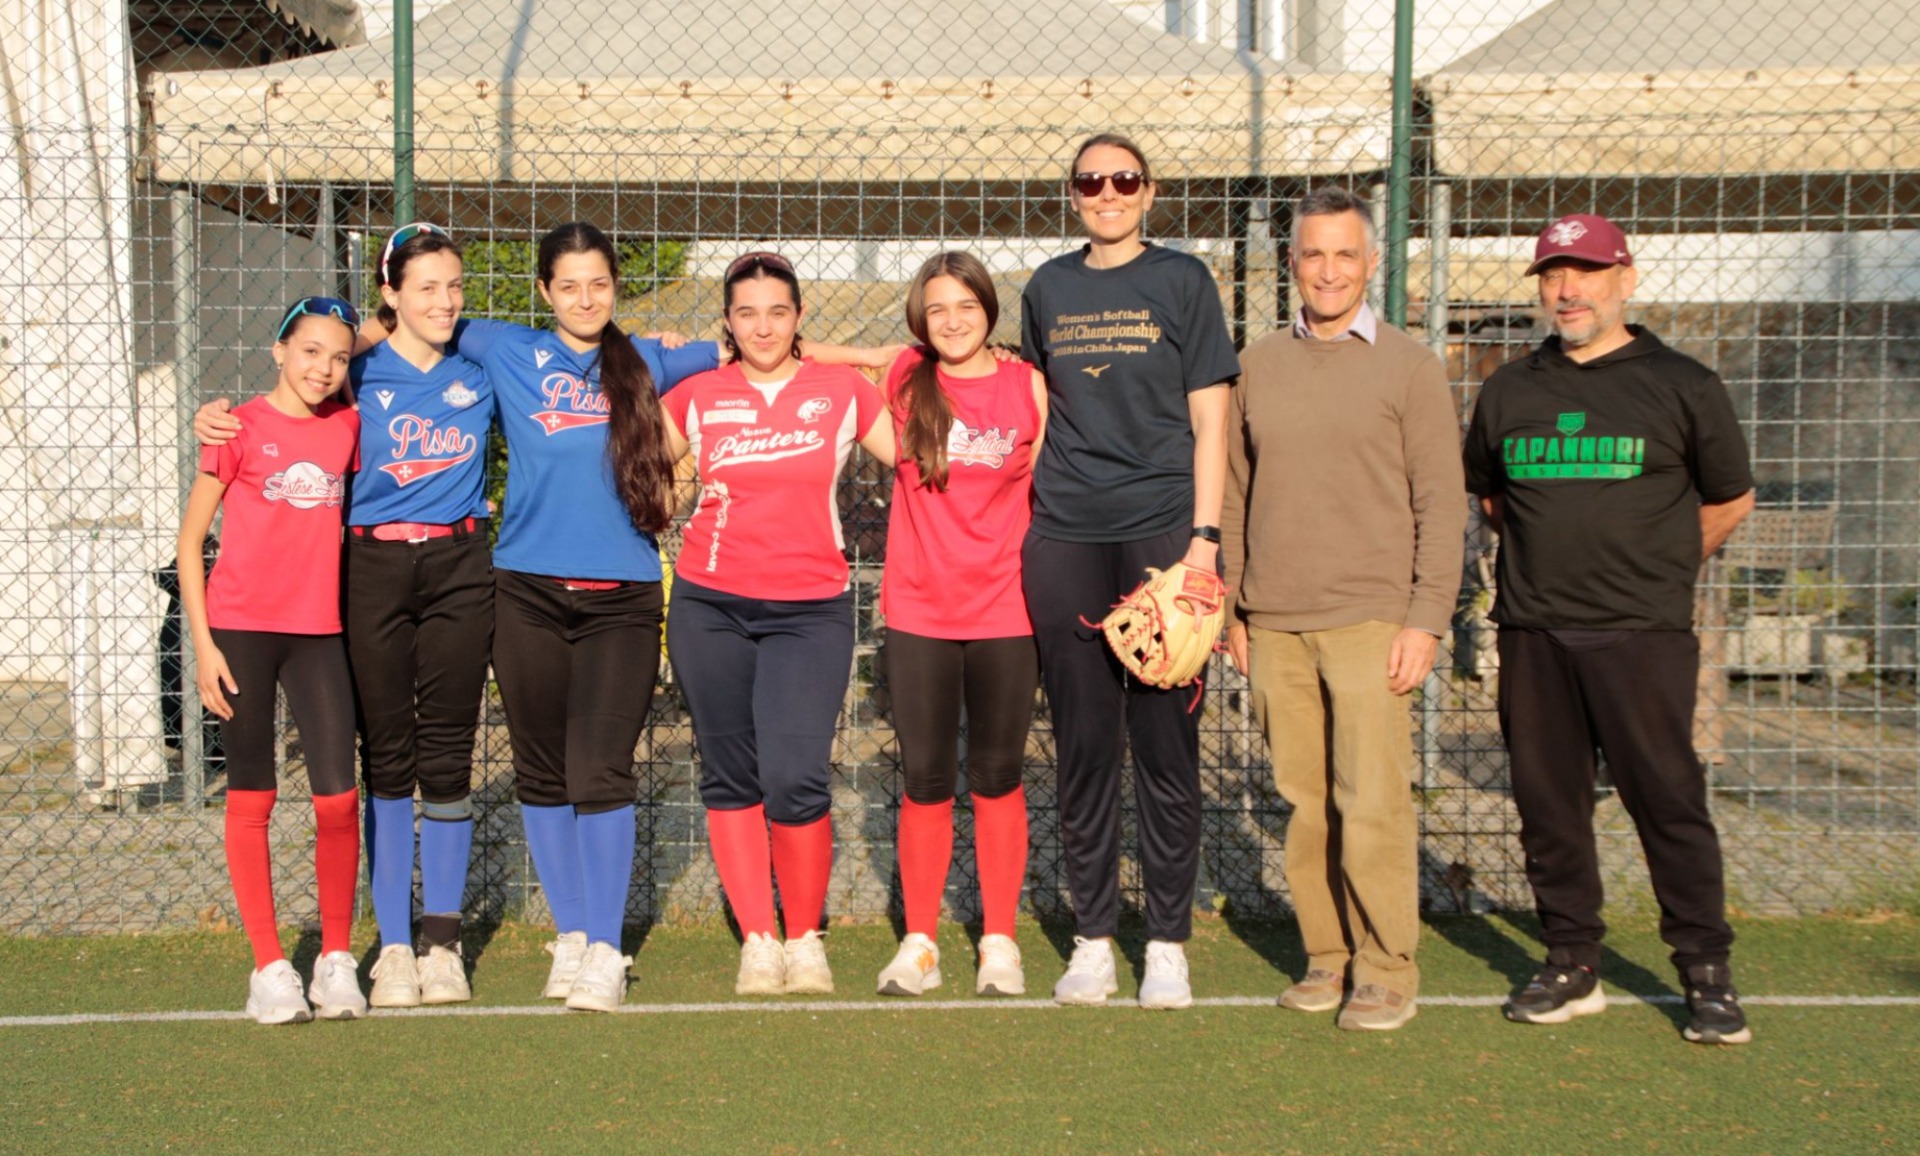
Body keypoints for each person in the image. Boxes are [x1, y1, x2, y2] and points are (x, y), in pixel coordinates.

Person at [1463, 213, 1757, 1045]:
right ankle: (1570, 962)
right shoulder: (1510, 388)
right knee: (1549, 807)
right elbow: (1490, 496)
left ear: (1625, 278)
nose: (1568, 289)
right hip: (1534, 631)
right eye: (1553, 274)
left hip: (1642, 634)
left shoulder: (1684, 384)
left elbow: (1731, 499)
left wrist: (1658, 565)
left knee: (1668, 802)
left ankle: (1706, 973)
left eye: (1586, 271)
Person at [197, 223, 495, 1009]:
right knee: (381, 758)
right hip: (361, 577)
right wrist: (215, 418)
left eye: (454, 285)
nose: (445, 299)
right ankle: (385, 946)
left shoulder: (480, 364)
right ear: (391, 294)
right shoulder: (354, 379)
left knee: (440, 756)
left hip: (452, 570)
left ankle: (438, 941)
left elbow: (587, 361)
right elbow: (311, 364)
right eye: (424, 285)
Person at [451, 223, 722, 1011]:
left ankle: (606, 947)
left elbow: (755, 345)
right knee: (542, 771)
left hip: (622, 599)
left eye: (598, 283)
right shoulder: (505, 348)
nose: (584, 298)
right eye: (568, 285)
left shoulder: (643, 359)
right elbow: (403, 325)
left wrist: (879, 359)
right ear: (544, 291)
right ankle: (570, 935)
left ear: (615, 287)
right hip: (526, 590)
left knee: (601, 768)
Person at [1221, 187, 1467, 1032]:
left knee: (1372, 801)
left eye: (1344, 255)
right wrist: (1236, 615)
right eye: (1312, 255)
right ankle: (1326, 959)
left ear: (1371, 264)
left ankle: (1387, 966)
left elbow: (1442, 502)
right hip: (1275, 621)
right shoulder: (1255, 364)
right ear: (1291, 264)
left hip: (1371, 618)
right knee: (1304, 800)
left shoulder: (1408, 365)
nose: (1328, 271)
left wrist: (1426, 618)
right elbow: (1234, 491)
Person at [1019, 133, 1240, 1008]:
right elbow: (1035, 412)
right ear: (1071, 193)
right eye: (1090, 181)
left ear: (1150, 190)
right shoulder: (1047, 288)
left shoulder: (1183, 281)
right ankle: (1094, 938)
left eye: (1125, 179)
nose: (1107, 193)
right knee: (1081, 749)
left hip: (1161, 537)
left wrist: (1205, 541)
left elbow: (1211, 419)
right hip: (1068, 536)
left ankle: (1169, 945)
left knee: (1163, 746)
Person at [660, 251, 896, 996]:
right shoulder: (696, 395)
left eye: (778, 311)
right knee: (731, 775)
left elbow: (925, 467)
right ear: (727, 322)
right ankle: (758, 940)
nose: (763, 325)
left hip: (809, 608)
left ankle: (805, 936)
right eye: (746, 312)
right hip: (709, 603)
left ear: (799, 320)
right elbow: (649, 482)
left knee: (796, 776)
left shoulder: (842, 391)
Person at [176, 296, 365, 1025]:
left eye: (339, 356)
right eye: (310, 350)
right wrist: (203, 647)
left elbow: (387, 333)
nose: (324, 367)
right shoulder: (235, 428)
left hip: (319, 634)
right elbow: (190, 544)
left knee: (337, 798)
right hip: (240, 633)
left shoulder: (348, 428)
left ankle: (336, 958)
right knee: (252, 798)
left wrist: (366, 335)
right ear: (279, 351)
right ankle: (268, 965)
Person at [872, 252, 1048, 998]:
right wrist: (882, 350)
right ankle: (919, 943)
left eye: (966, 306)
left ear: (990, 311)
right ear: (920, 315)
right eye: (936, 308)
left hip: (1007, 610)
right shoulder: (904, 381)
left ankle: (999, 941)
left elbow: (1047, 487)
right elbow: (797, 352)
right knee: (926, 778)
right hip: (919, 612)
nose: (952, 321)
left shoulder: (1027, 385)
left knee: (999, 776)